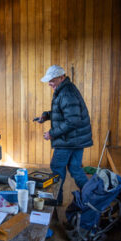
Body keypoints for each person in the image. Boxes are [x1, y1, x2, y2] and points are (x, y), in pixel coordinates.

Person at [36, 65, 93, 205]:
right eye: (49, 81)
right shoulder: (64, 90)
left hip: (69, 140)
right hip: (76, 139)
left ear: (62, 78)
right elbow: (64, 112)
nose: (50, 83)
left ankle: (55, 200)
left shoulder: (66, 93)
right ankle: (91, 197)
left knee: (57, 168)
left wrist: (52, 133)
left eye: (52, 80)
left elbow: (72, 121)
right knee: (75, 168)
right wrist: (46, 115)